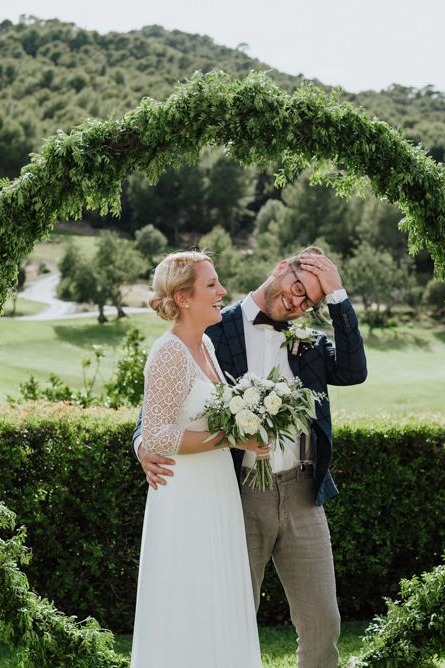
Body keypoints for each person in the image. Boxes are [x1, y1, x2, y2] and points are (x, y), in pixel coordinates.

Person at [134, 246, 368, 668]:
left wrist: (337, 296)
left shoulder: (310, 342)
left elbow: (353, 371)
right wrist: (142, 444)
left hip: (302, 490)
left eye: (310, 301)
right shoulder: (211, 329)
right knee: (231, 613)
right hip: (237, 493)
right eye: (299, 288)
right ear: (281, 269)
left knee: (323, 623)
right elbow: (160, 402)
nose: (298, 303)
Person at [130, 251, 268, 668]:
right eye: (212, 285)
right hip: (184, 496)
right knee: (187, 596)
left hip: (214, 490)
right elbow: (156, 433)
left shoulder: (205, 344)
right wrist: (231, 438)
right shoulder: (169, 352)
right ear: (184, 298)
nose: (222, 291)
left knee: (215, 593)